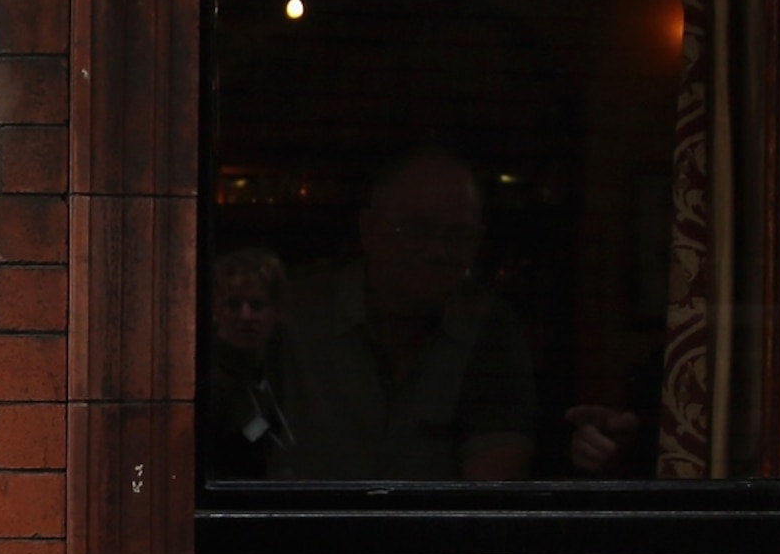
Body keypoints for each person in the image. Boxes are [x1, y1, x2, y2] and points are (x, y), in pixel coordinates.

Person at [264, 149, 541, 479]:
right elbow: (236, 435)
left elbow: (497, 472)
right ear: (369, 230)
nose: (438, 251)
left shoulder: (488, 325)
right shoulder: (290, 315)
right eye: (416, 231)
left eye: (458, 235)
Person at [203, 247, 292, 479]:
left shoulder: (283, 373)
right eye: (233, 305)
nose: (245, 316)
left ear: (277, 311)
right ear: (215, 310)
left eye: (256, 305)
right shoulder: (206, 382)